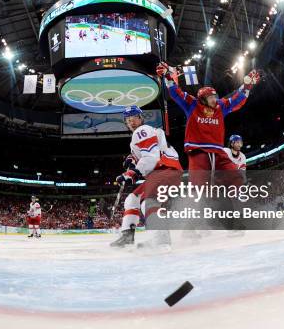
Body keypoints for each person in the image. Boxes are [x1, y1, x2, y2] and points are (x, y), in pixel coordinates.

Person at [156, 62, 260, 186]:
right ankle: (200, 203)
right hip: (197, 151)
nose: (214, 99)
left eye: (215, 96)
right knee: (199, 185)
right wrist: (167, 76)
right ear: (203, 99)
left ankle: (234, 201)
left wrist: (247, 86)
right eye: (211, 97)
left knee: (236, 178)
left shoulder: (220, 106)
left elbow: (237, 99)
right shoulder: (192, 104)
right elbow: (175, 93)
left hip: (217, 151)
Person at [110, 105, 182, 248]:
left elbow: (151, 157)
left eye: (134, 118)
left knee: (148, 201)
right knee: (132, 199)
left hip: (164, 169)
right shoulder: (144, 133)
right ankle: (127, 236)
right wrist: (131, 163)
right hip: (161, 171)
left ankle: (161, 237)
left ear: (141, 118)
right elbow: (145, 156)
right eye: (128, 120)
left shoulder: (142, 131)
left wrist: (132, 173)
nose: (131, 122)